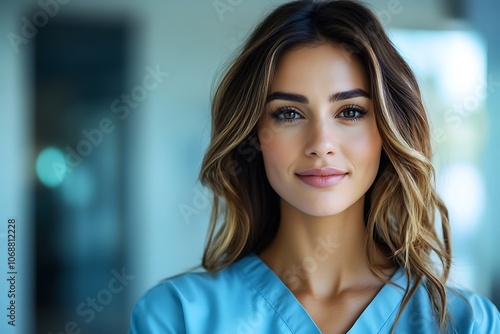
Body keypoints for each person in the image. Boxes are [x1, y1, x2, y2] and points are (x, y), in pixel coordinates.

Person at [128, 0, 500, 333]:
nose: (321, 143)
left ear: (388, 130)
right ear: (253, 135)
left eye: (350, 112)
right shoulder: (178, 316)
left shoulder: (466, 322)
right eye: (288, 114)